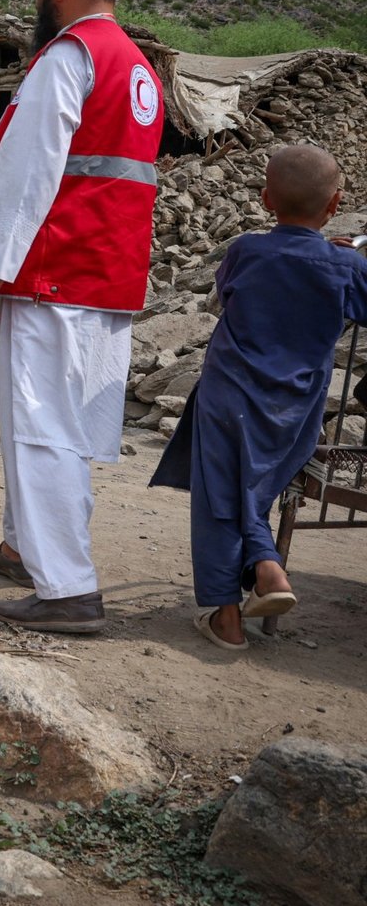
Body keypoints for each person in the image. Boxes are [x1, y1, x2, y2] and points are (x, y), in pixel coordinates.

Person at [0, 0, 164, 634]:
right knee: (58, 425)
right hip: (103, 278)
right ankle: (21, 546)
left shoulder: (68, 58)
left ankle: (67, 589)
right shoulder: (137, 68)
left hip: (52, 274)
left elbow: (28, 176)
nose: (36, 0)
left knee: (43, 430)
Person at [151, 146, 367, 649]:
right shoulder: (344, 266)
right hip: (295, 409)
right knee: (254, 491)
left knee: (219, 496)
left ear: (266, 199)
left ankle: (231, 614)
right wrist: (339, 258)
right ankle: (266, 567)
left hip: (229, 393)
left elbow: (228, 294)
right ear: (334, 206)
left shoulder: (246, 250)